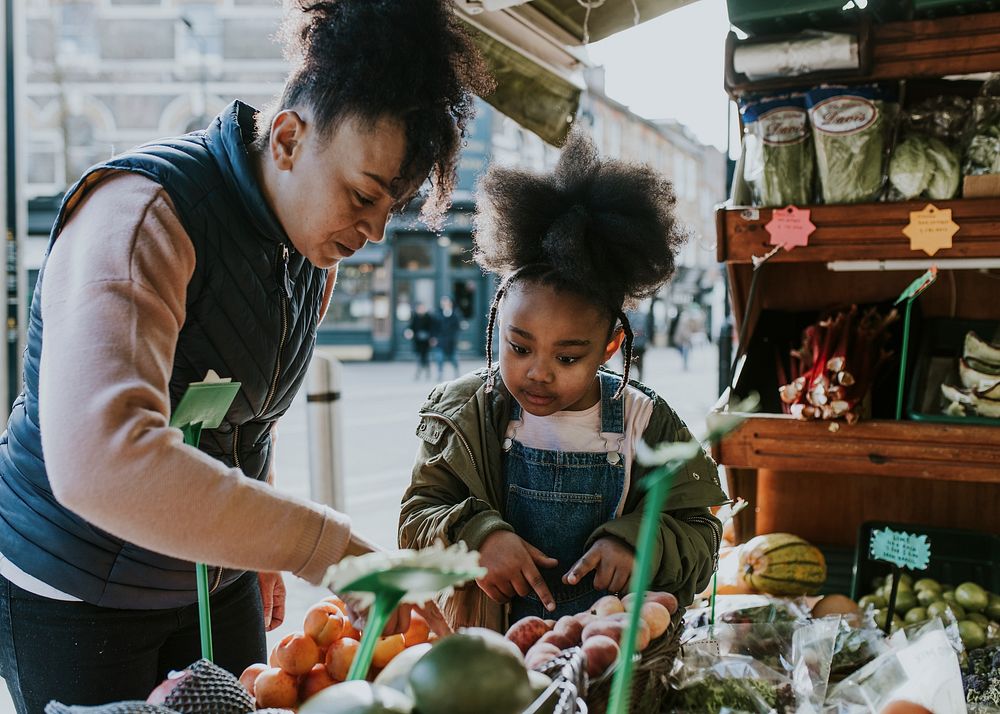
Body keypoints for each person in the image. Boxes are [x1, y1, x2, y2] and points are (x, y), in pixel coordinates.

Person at [0, 0, 491, 710]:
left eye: (394, 206)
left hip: (209, 579)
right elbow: (103, 461)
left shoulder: (309, 254)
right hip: (76, 590)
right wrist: (320, 546)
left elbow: (242, 411)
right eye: (362, 195)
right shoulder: (142, 216)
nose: (376, 232)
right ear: (288, 138)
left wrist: (252, 544)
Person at [398, 134, 728, 630]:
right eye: (519, 347)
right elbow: (416, 518)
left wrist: (637, 543)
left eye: (568, 356)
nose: (538, 372)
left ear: (611, 346)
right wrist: (477, 537)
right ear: (497, 322)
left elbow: (702, 537)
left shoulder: (646, 421)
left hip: (610, 662)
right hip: (490, 658)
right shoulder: (466, 414)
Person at [432, 295, 464, 380]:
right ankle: (440, 372)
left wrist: (455, 338)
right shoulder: (437, 313)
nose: (445, 304)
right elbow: (434, 327)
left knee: (453, 358)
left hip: (451, 340)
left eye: (447, 302)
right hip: (441, 340)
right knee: (439, 357)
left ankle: (456, 371)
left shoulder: (455, 313)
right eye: (443, 302)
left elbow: (457, 327)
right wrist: (434, 338)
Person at [405, 302, 434, 380]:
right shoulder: (415, 317)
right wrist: (409, 332)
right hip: (418, 341)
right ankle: (419, 372)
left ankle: (427, 372)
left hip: (426, 341)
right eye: (420, 308)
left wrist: (431, 338)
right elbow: (411, 326)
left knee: (426, 357)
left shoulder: (428, 317)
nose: (421, 310)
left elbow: (432, 328)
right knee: (419, 357)